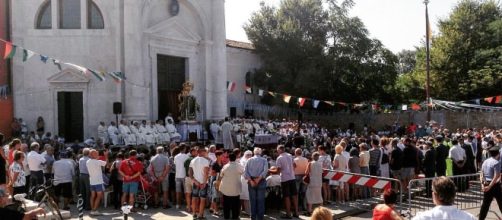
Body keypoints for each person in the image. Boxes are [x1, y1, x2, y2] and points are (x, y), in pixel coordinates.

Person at [275, 145, 299, 219]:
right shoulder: (290, 155)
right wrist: (290, 171)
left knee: (287, 196)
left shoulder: (279, 158)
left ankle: (288, 214)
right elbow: (295, 165)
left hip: (285, 179)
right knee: (294, 195)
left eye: (277, 150)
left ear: (279, 150)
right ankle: (296, 212)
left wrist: (269, 170)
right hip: (292, 177)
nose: (277, 151)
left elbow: (277, 171)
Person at [478, 145, 502, 220]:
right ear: (498, 154)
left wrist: (483, 184)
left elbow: (481, 174)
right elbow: (496, 176)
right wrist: (490, 186)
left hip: (486, 184)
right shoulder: (496, 162)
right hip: (494, 185)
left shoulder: (485, 161)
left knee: (485, 204)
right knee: (501, 202)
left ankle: (481, 218)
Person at [244, 147, 268, 220]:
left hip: (251, 180)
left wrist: (251, 181)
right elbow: (265, 171)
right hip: (261, 181)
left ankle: (253, 217)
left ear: (253, 153)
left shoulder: (249, 160)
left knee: (252, 200)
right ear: (260, 153)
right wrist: (259, 179)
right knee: (261, 200)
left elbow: (245, 172)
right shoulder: (264, 160)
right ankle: (260, 217)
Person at [218, 152, 243, 220]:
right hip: (236, 188)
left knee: (226, 204)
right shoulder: (239, 166)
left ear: (229, 158)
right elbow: (243, 172)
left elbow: (221, 175)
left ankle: (226, 217)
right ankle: (235, 217)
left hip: (226, 189)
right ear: (235, 158)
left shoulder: (225, 166)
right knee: (235, 204)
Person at [189, 146, 210, 219]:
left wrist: (194, 181)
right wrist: (204, 183)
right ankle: (200, 215)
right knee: (202, 199)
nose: (205, 153)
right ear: (202, 152)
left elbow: (190, 173)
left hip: (196, 182)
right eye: (204, 151)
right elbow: (206, 173)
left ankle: (194, 213)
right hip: (203, 182)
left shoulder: (193, 160)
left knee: (194, 197)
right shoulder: (206, 161)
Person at [87, 149, 107, 216]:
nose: (97, 154)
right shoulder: (97, 162)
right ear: (92, 154)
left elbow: (96, 159)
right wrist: (106, 155)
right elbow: (105, 163)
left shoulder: (88, 161)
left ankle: (92, 209)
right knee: (99, 196)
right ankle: (94, 210)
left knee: (92, 196)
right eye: (96, 153)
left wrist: (97, 156)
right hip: (98, 182)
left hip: (92, 181)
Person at [305, 152, 323, 216]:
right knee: (319, 196)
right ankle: (322, 210)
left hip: (312, 182)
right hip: (319, 182)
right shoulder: (321, 164)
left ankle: (309, 211)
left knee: (310, 196)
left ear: (312, 157)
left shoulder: (310, 163)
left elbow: (306, 172)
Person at [173, 145, 189, 210]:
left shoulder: (176, 157)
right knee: (186, 191)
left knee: (178, 191)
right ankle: (187, 205)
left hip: (177, 175)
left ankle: (178, 204)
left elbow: (175, 164)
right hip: (184, 175)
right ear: (184, 148)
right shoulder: (187, 156)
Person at [209, 151, 223, 215]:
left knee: (216, 196)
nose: (222, 156)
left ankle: (212, 207)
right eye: (221, 155)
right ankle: (216, 211)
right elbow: (211, 173)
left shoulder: (221, 163)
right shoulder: (214, 163)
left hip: (219, 180)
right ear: (217, 156)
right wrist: (218, 174)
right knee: (215, 196)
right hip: (214, 181)